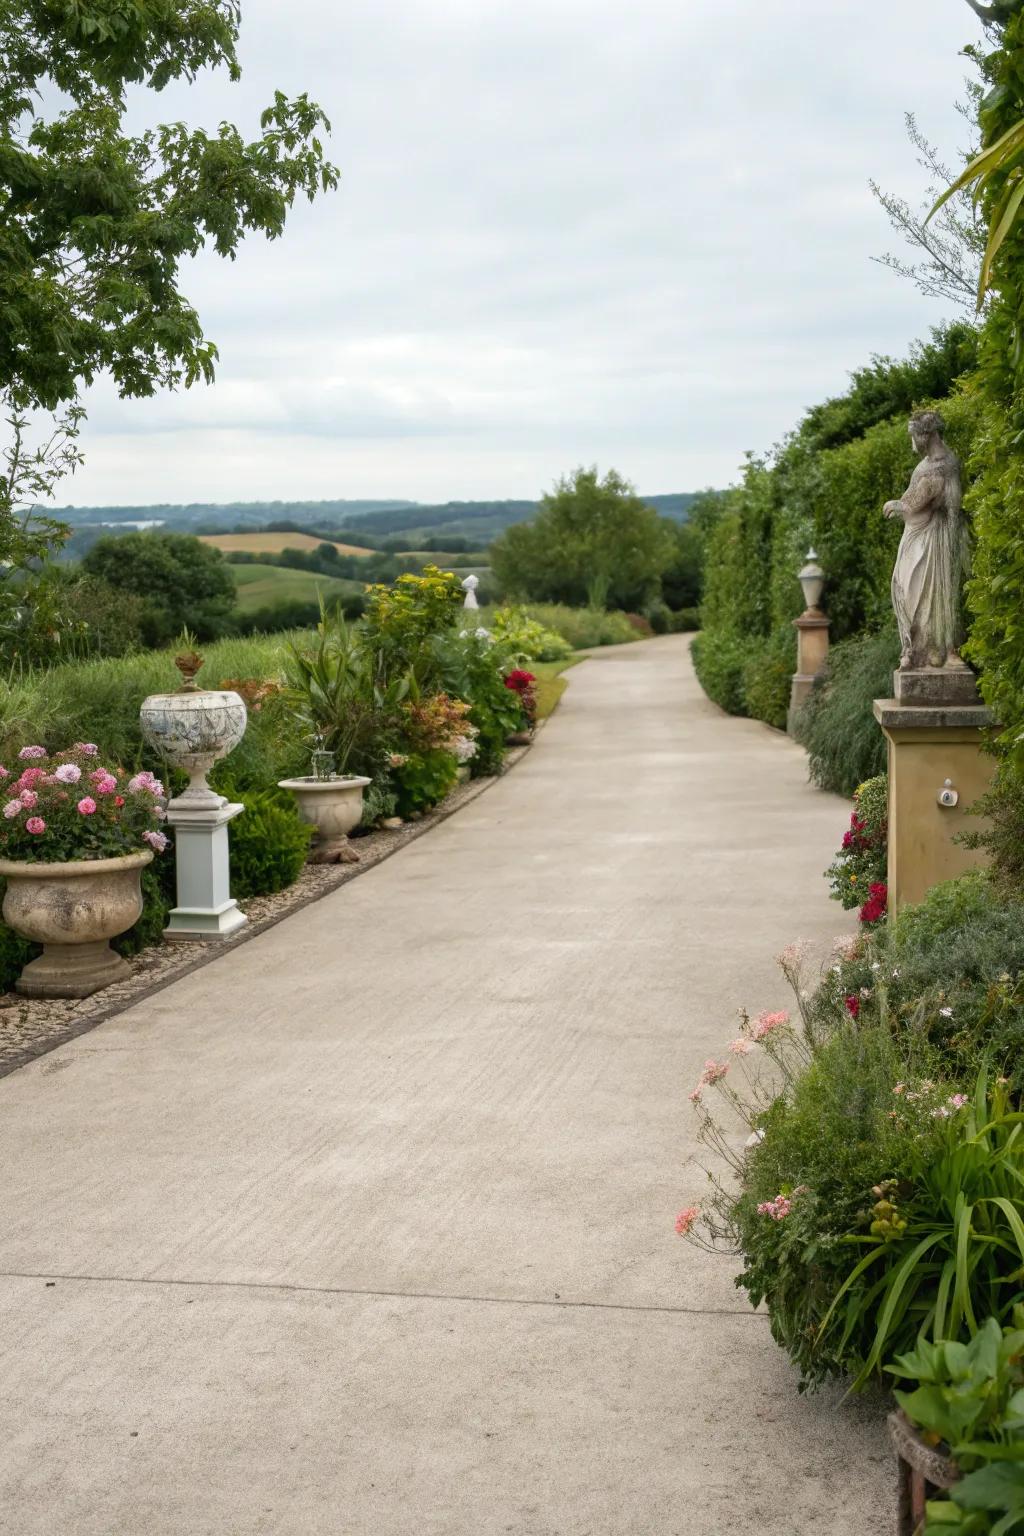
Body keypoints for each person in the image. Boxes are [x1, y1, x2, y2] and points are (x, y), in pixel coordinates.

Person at [883, 410, 968, 670]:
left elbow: (953, 507)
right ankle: (915, 648)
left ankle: (944, 649)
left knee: (935, 593)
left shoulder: (948, 464)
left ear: (926, 435)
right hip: (914, 536)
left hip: (935, 538)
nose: (912, 444)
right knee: (906, 589)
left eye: (914, 437)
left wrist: (902, 505)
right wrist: (900, 505)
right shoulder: (923, 466)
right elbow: (911, 500)